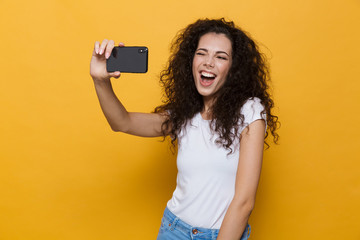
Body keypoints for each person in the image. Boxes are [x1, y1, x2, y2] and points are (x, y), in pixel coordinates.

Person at [90, 18, 279, 240]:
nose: (208, 62)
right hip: (173, 230)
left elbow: (244, 202)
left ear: (233, 69)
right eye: (202, 53)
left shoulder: (250, 110)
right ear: (191, 60)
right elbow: (122, 122)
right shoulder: (183, 114)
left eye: (221, 57)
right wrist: (100, 80)